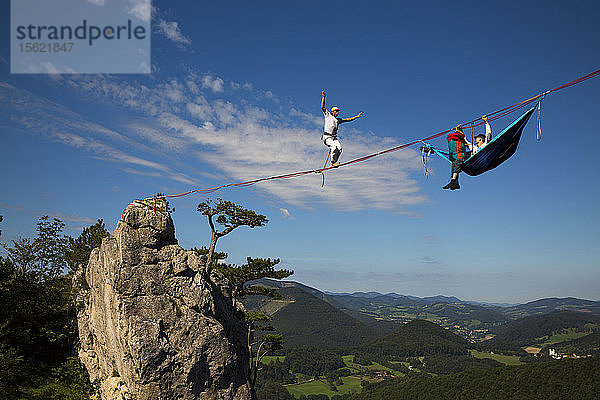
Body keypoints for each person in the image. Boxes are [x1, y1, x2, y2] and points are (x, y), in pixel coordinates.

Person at [321, 90, 363, 167]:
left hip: (334, 137)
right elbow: (322, 107)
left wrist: (356, 117)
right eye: (336, 111)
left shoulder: (338, 120)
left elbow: (347, 119)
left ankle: (334, 162)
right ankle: (333, 163)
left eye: (338, 112)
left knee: (339, 149)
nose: (337, 113)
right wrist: (323, 97)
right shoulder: (328, 115)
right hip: (327, 137)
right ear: (332, 112)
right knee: (333, 147)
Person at [442, 125, 470, 190]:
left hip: (461, 156)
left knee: (457, 165)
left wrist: (460, 130)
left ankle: (453, 181)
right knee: (454, 167)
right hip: (456, 157)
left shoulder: (461, 141)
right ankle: (456, 183)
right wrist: (460, 130)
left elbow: (463, 138)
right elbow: (463, 138)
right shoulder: (459, 141)